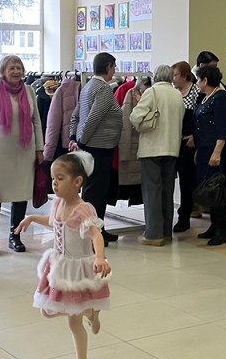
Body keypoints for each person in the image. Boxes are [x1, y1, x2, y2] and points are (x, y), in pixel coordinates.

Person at [14, 152, 111, 359]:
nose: (54, 183)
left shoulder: (83, 210)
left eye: (60, 178)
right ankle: (90, 311)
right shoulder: (57, 203)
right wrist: (31, 217)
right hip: (59, 266)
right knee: (46, 311)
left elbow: (95, 235)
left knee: (73, 322)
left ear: (77, 181)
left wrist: (100, 257)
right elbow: (53, 222)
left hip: (77, 271)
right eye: (53, 178)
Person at [0, 54, 44, 256]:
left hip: (24, 153)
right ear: (2, 72)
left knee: (21, 195)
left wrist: (40, 148)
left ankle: (15, 237)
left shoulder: (30, 91)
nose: (16, 71)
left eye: (19, 67)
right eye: (11, 68)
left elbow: (36, 121)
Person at [70, 52, 123, 246]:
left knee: (97, 191)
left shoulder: (88, 86)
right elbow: (93, 118)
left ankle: (98, 230)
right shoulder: (103, 89)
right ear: (108, 67)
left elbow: (75, 115)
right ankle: (91, 233)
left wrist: (74, 137)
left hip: (95, 147)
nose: (114, 71)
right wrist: (82, 141)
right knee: (95, 193)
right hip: (98, 148)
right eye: (114, 67)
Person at [130, 65, 184, 246]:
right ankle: (166, 232)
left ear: (156, 77)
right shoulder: (177, 95)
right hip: (172, 149)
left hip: (152, 149)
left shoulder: (152, 92)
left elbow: (135, 117)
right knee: (167, 191)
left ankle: (153, 234)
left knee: (152, 191)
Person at [193, 64, 226, 246]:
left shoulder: (221, 98)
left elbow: (223, 128)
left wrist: (217, 152)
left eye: (198, 79)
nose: (197, 83)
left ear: (205, 80)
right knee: (209, 188)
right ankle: (214, 225)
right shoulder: (206, 97)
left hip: (216, 150)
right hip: (205, 148)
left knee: (218, 188)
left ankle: (221, 229)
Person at [172, 60, 201, 231]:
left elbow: (200, 117)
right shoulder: (173, 92)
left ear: (184, 75)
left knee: (186, 180)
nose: (173, 78)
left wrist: (195, 136)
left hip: (187, 143)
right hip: (172, 141)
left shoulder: (195, 91)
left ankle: (185, 215)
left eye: (176, 75)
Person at [116, 77, 148, 206]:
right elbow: (126, 124)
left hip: (141, 145)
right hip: (136, 146)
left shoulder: (137, 92)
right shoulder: (131, 92)